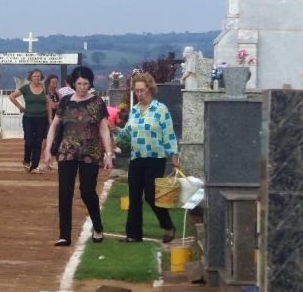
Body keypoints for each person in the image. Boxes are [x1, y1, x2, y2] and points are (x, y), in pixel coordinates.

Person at [43, 66, 113, 246]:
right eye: (79, 83)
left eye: (85, 84)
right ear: (73, 83)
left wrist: (109, 154)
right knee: (64, 193)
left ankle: (97, 226)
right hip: (67, 151)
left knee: (87, 191)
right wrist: (48, 149)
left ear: (90, 84)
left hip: (91, 152)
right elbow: (55, 125)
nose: (82, 87)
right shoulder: (65, 101)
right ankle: (64, 235)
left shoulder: (97, 103)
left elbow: (104, 129)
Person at [114, 72, 179, 243]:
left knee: (151, 195)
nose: (139, 94)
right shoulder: (134, 110)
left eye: (142, 90)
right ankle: (133, 235)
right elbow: (127, 134)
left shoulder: (160, 109)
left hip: (155, 157)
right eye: (136, 91)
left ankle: (168, 226)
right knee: (134, 195)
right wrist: (115, 130)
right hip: (137, 157)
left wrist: (173, 154)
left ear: (150, 89)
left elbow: (169, 133)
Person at [10, 69, 47, 173]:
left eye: (39, 76)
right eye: (35, 76)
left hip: (42, 118)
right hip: (28, 118)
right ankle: (26, 160)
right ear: (31, 77)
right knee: (29, 140)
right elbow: (12, 96)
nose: (37, 78)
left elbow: (49, 101)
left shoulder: (45, 88)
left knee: (38, 142)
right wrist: (20, 107)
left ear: (41, 78)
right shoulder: (26, 88)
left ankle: (34, 165)